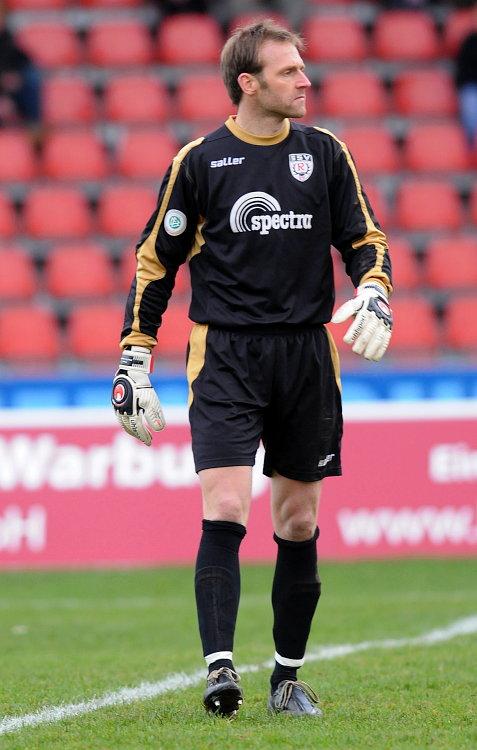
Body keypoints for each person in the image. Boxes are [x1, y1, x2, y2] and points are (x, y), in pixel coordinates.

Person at [112, 19, 393, 719]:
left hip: (306, 354)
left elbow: (364, 237)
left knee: (297, 520)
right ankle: (219, 670)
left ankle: (287, 679)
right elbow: (155, 262)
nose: (304, 80)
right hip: (225, 354)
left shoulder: (324, 153)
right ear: (248, 82)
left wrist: (374, 288)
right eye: (288, 70)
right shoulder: (200, 162)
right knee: (227, 507)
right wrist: (133, 357)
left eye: (302, 67)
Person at [0, 0, 42, 135]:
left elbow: (21, 59)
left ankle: (34, 127)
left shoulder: (7, 38)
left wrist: (14, 78)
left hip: (10, 91)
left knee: (31, 77)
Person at [455, 5, 477, 147]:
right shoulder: (470, 41)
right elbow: (463, 71)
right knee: (471, 106)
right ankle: (472, 146)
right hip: (472, 87)